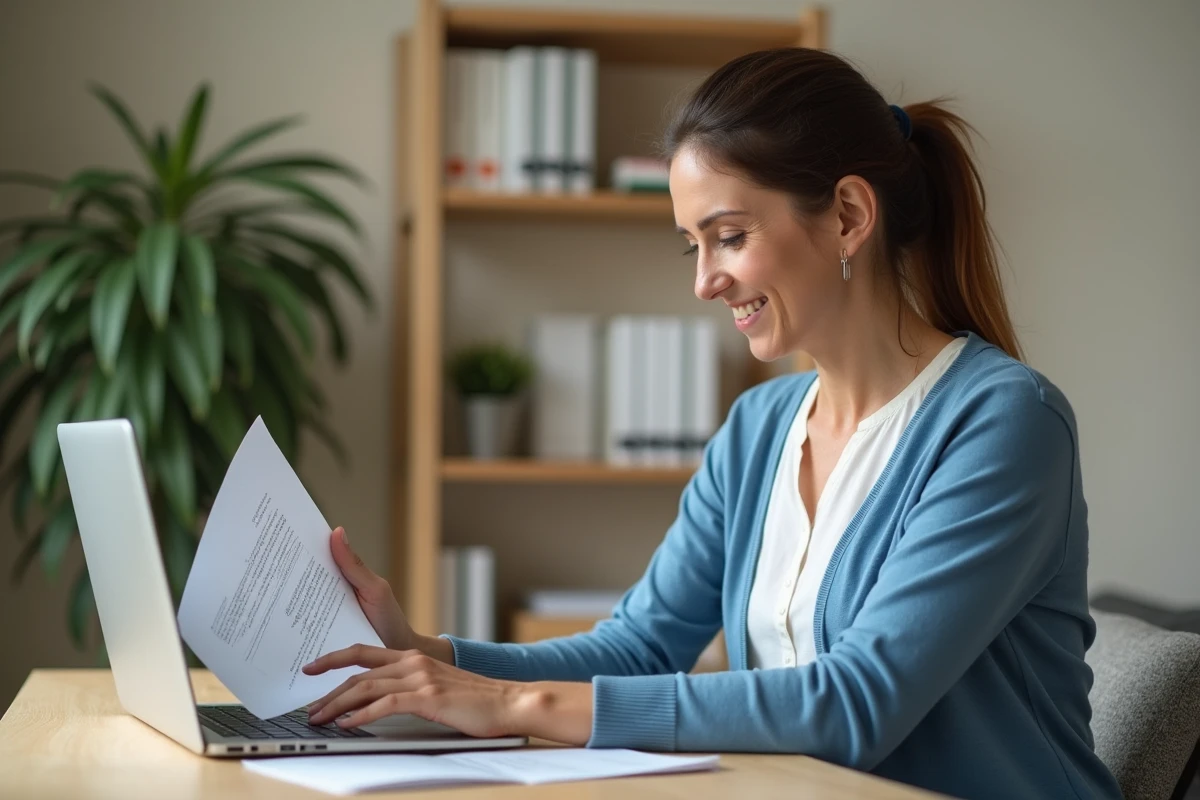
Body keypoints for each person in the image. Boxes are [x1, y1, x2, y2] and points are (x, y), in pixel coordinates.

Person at [302, 48, 1122, 799]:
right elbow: (637, 648)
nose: (705, 282)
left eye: (728, 237)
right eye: (691, 246)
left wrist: (515, 703)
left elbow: (855, 704)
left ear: (846, 216)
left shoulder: (1004, 423)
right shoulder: (759, 429)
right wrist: (429, 658)